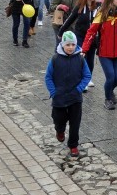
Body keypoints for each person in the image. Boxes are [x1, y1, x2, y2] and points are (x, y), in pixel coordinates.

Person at [44, 31, 91, 159]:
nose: (70, 47)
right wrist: (53, 92)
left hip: (75, 97)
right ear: (62, 45)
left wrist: (79, 89)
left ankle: (73, 145)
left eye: (73, 45)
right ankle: (60, 130)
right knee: (58, 119)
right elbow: (48, 77)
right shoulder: (55, 59)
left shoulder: (80, 59)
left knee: (75, 123)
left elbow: (87, 75)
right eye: (68, 45)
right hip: (59, 97)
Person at [59, 0, 98, 85]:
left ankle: (88, 78)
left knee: (90, 58)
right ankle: (82, 79)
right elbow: (70, 19)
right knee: (82, 57)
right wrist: (61, 31)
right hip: (80, 36)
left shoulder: (97, 7)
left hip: (92, 38)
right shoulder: (80, 7)